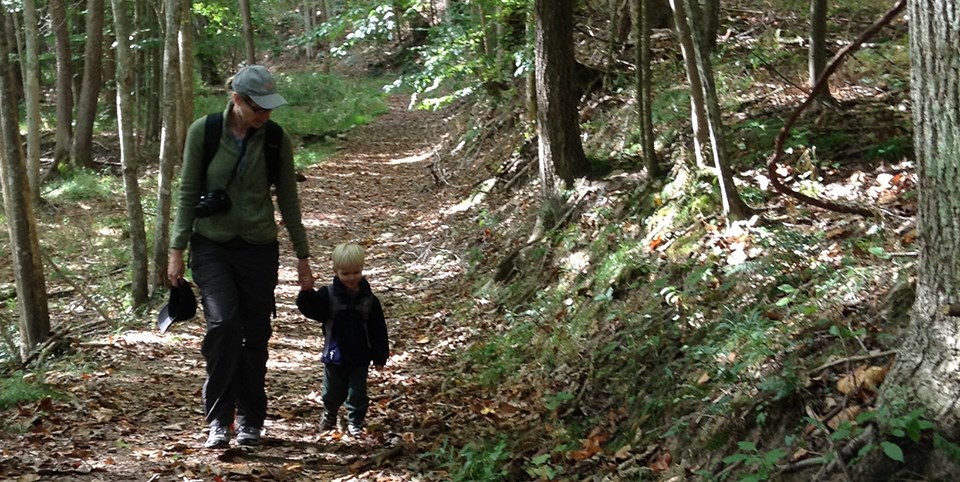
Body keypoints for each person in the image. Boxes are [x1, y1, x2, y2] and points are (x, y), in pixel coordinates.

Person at [167, 64, 315, 449]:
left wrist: (303, 256)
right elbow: (187, 191)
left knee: (256, 334)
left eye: (269, 108)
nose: (265, 115)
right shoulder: (205, 131)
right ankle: (219, 420)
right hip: (212, 244)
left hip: (259, 247)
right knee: (223, 325)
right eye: (258, 108)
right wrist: (176, 249)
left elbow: (288, 197)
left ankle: (250, 419)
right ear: (237, 100)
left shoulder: (274, 139)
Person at [296, 243, 389, 437]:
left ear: (362, 270)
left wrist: (380, 355)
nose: (351, 278)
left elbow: (378, 329)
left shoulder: (370, 300)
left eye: (356, 272)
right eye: (345, 274)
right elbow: (312, 310)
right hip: (335, 354)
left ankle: (356, 421)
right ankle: (330, 413)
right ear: (336, 271)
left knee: (357, 393)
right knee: (332, 392)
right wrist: (306, 292)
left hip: (361, 355)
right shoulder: (328, 295)